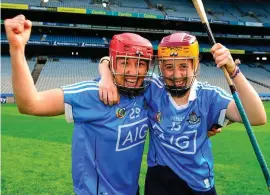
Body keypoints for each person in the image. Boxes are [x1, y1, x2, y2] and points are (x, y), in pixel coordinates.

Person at [98, 32, 267, 195]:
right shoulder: (152, 87)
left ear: (195, 66)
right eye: (169, 67)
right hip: (159, 180)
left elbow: (257, 117)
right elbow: (110, 59)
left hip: (198, 183)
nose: (176, 75)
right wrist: (106, 76)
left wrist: (233, 70)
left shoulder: (209, 96)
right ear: (161, 67)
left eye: (183, 66)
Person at [5, 14, 157, 195]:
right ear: (114, 62)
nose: (133, 71)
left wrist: (105, 69)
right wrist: (17, 48)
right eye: (125, 62)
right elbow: (29, 104)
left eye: (140, 64)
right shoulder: (93, 94)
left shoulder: (148, 90)